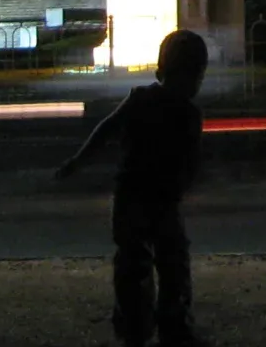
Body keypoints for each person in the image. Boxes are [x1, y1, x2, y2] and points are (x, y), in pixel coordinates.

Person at [57, 29, 209, 347]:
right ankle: (174, 328)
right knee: (173, 265)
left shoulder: (140, 99)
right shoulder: (189, 113)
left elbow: (106, 129)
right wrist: (183, 185)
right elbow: (191, 160)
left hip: (131, 198)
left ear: (160, 70)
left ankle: (134, 329)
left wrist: (77, 161)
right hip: (163, 201)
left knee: (132, 266)